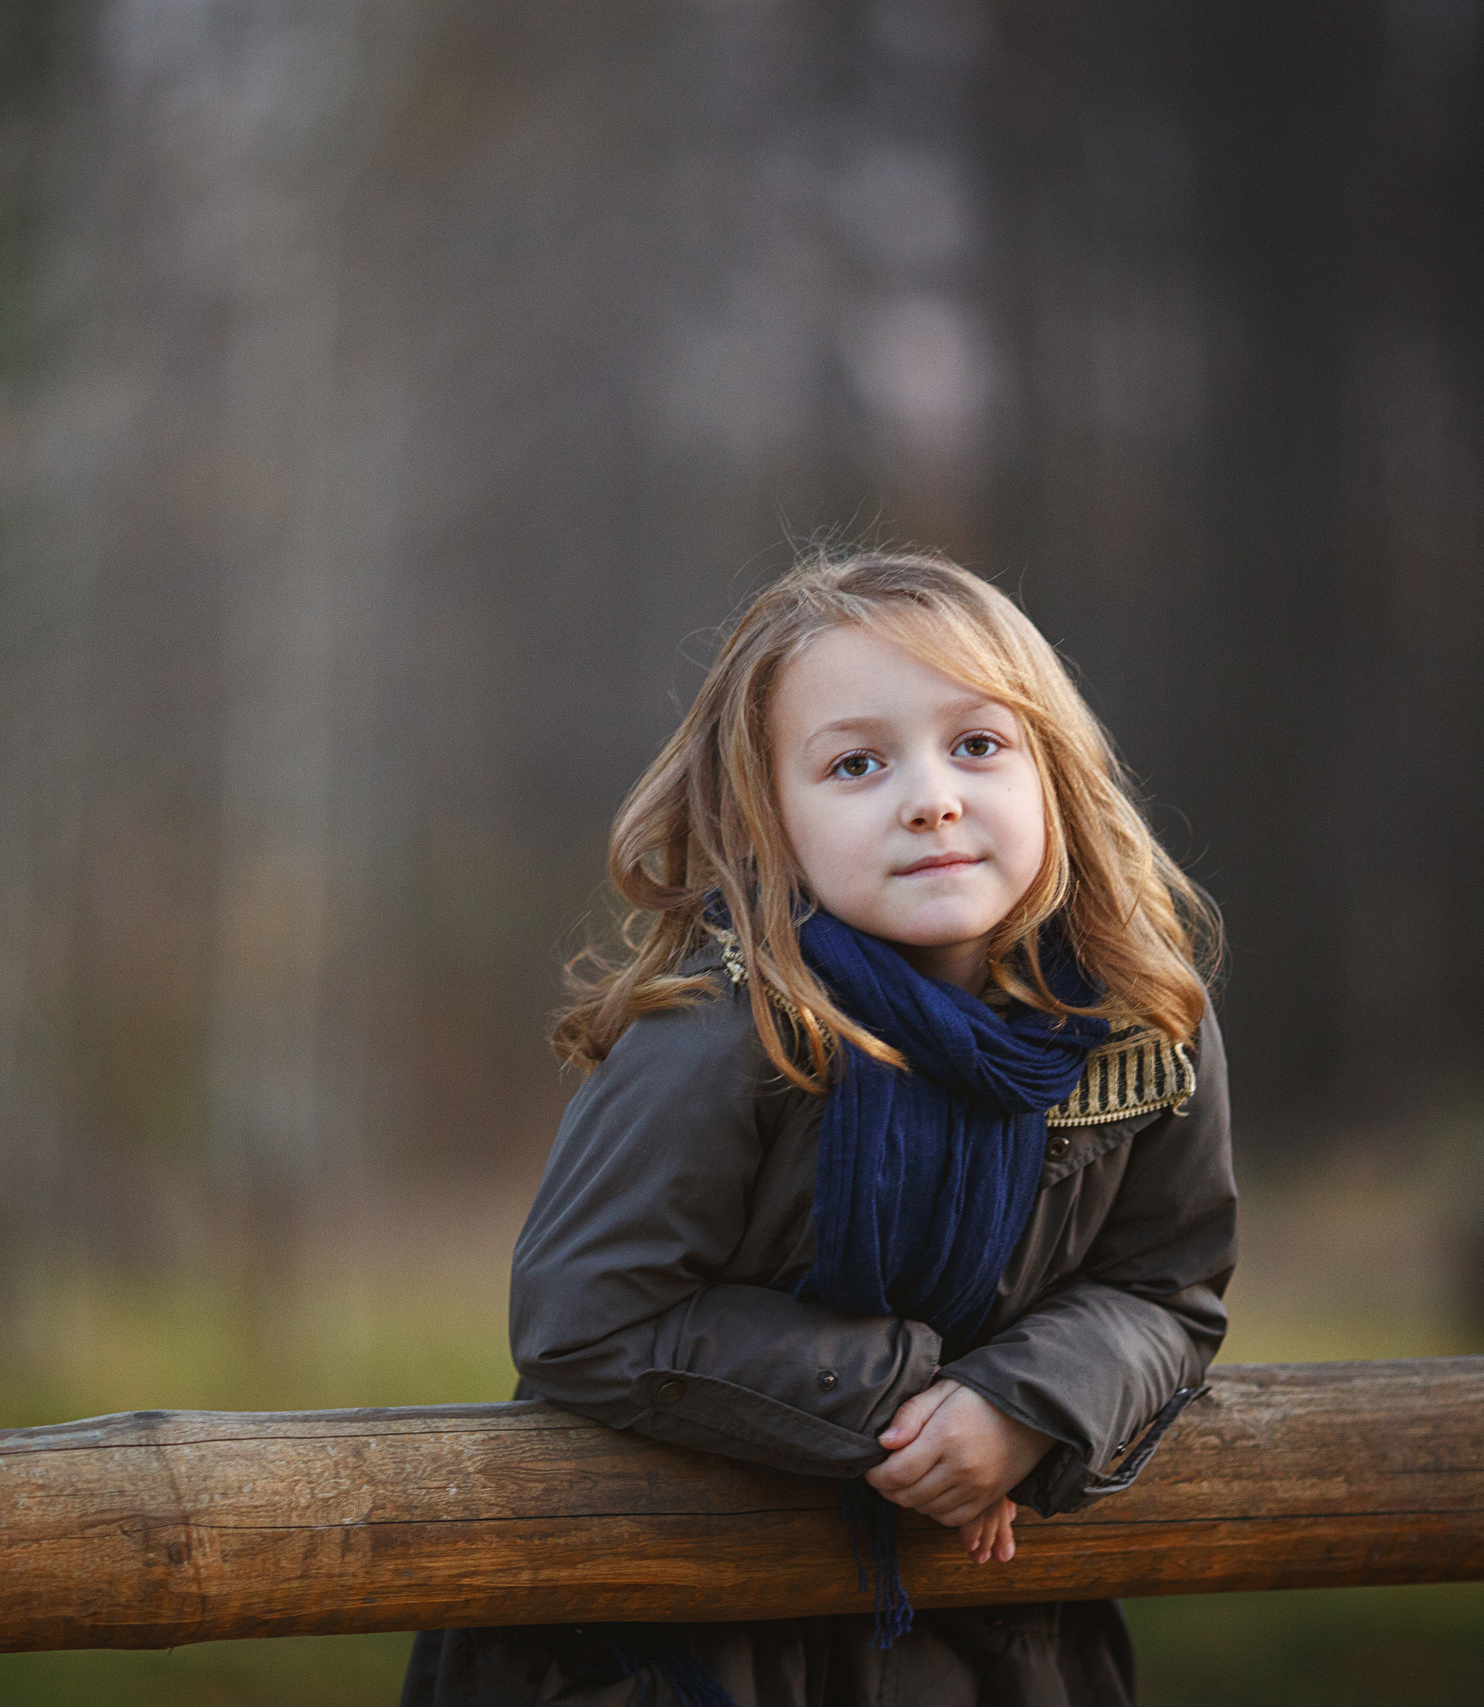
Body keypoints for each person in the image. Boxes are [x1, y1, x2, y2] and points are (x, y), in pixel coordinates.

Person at [403, 549, 1235, 1707]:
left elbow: (1165, 1289)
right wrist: (923, 1404)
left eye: (979, 745)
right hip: (677, 1641)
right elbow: (584, 1314)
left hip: (984, 1644)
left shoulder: (1137, 1025)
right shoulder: (724, 1032)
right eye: (855, 764)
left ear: (1055, 772)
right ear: (767, 826)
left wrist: (1025, 1405)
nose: (933, 796)